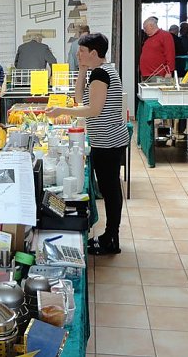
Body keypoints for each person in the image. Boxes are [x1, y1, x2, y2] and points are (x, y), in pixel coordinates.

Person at [46, 33, 129, 255]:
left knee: (110, 190)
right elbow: (80, 99)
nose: (77, 53)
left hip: (109, 142)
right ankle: (109, 236)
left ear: (94, 52)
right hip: (106, 140)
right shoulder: (99, 71)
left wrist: (61, 111)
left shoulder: (101, 74)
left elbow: (93, 110)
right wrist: (82, 70)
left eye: (82, 51)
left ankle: (111, 238)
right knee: (109, 188)